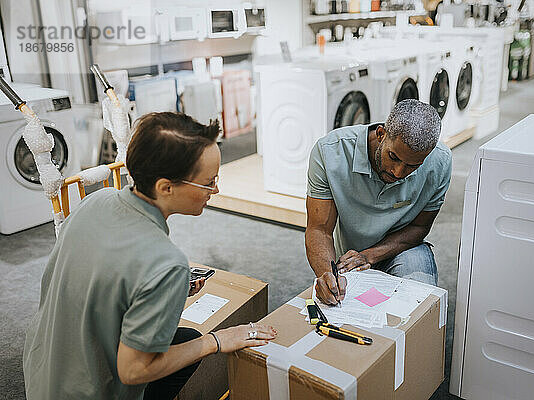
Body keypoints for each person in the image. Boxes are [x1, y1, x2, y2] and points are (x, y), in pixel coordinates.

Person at [23, 112, 277, 400]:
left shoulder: (96, 200)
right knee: (195, 342)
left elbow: (104, 283)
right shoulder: (166, 263)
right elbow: (133, 371)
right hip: (86, 393)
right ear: (165, 187)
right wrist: (217, 341)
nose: (215, 189)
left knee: (184, 339)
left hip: (42, 371)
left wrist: (164, 292)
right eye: (208, 182)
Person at [305, 99, 451, 305]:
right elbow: (319, 229)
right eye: (393, 157)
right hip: (348, 256)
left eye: (413, 166)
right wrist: (326, 275)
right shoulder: (330, 152)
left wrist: (370, 256)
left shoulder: (440, 162)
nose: (398, 172)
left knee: (418, 304)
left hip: (403, 249)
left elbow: (420, 227)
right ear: (381, 134)